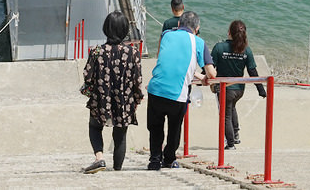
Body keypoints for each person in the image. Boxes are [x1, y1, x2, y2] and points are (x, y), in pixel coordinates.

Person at [146, 11, 217, 170]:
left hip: (156, 88)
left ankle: (154, 160)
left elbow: (165, 58)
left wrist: (195, 74)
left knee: (156, 128)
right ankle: (169, 159)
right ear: (197, 28)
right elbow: (211, 73)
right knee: (174, 128)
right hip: (177, 94)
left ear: (178, 25)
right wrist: (205, 78)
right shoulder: (198, 42)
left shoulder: (166, 34)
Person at [80, 11, 144, 173]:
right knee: (120, 136)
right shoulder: (133, 53)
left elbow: (88, 76)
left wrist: (90, 92)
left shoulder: (96, 52)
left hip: (101, 98)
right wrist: (137, 99)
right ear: (125, 30)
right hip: (125, 100)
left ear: (106, 28)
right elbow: (137, 80)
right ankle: (117, 170)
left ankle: (99, 158)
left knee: (95, 127)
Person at [211, 20, 267, 150]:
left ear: (229, 32)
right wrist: (261, 89)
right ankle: (235, 135)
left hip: (225, 88)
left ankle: (230, 144)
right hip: (239, 90)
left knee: (225, 115)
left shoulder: (219, 47)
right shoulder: (246, 50)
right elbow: (252, 71)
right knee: (231, 108)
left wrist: (203, 78)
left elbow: (209, 67)